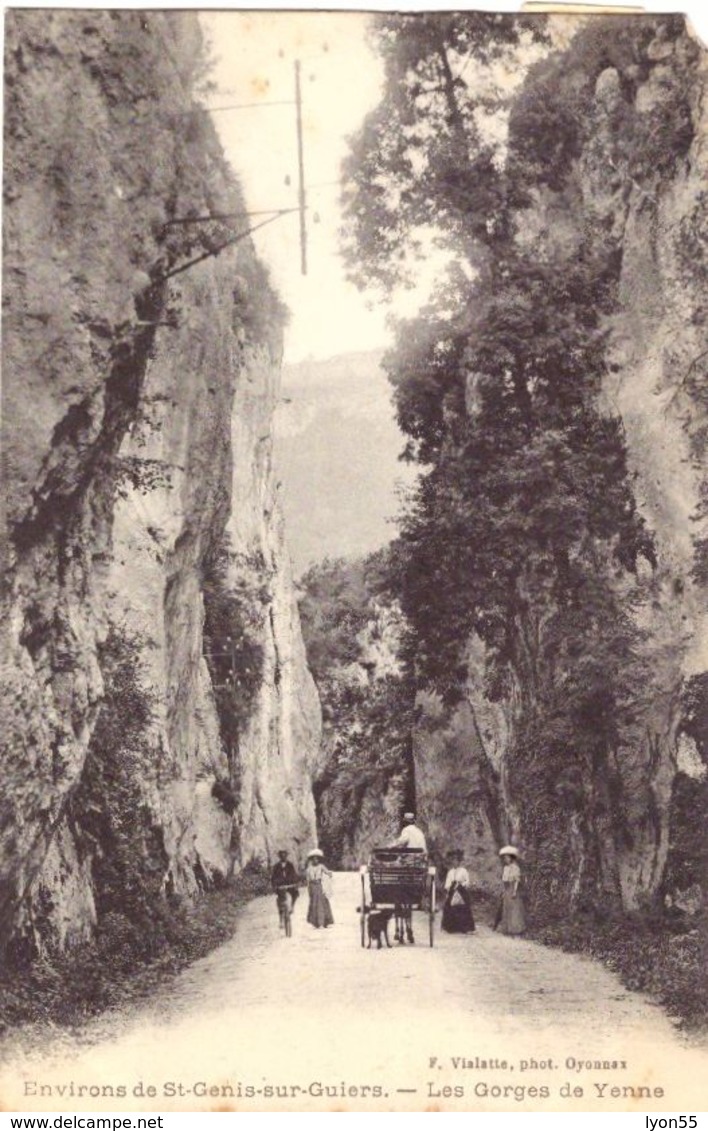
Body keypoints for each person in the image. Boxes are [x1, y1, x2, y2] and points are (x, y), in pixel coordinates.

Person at [442, 849, 475, 934]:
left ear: (459, 862)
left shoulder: (463, 871)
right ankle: (451, 928)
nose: (454, 862)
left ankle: (466, 928)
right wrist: (448, 888)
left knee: (463, 907)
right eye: (453, 860)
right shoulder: (450, 872)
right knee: (449, 906)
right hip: (452, 890)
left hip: (461, 890)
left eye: (456, 860)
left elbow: (467, 881)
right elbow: (447, 882)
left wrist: (461, 884)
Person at [496, 845, 526, 936]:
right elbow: (504, 881)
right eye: (504, 858)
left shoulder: (516, 868)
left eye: (507, 857)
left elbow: (516, 880)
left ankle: (516, 929)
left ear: (511, 858)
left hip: (513, 889)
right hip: (507, 889)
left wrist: (514, 891)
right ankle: (507, 928)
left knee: (514, 909)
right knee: (506, 908)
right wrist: (503, 890)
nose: (505, 859)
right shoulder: (505, 868)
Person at [305, 848, 334, 928]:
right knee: (314, 903)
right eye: (313, 859)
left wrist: (329, 875)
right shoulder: (309, 869)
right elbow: (307, 880)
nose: (315, 860)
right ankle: (315, 923)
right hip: (312, 886)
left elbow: (328, 872)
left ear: (319, 859)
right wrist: (309, 889)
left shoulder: (321, 866)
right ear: (311, 860)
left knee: (322, 903)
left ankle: (324, 922)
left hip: (319, 885)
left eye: (317, 859)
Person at [271, 849, 299, 916]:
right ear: (279, 857)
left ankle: (292, 906)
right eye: (281, 855)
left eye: (284, 855)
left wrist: (295, 883)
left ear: (286, 856)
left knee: (295, 893)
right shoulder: (276, 866)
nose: (283, 857)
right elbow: (273, 877)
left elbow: (294, 874)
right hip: (280, 885)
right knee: (280, 901)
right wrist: (274, 885)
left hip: (289, 884)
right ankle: (281, 919)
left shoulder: (290, 865)